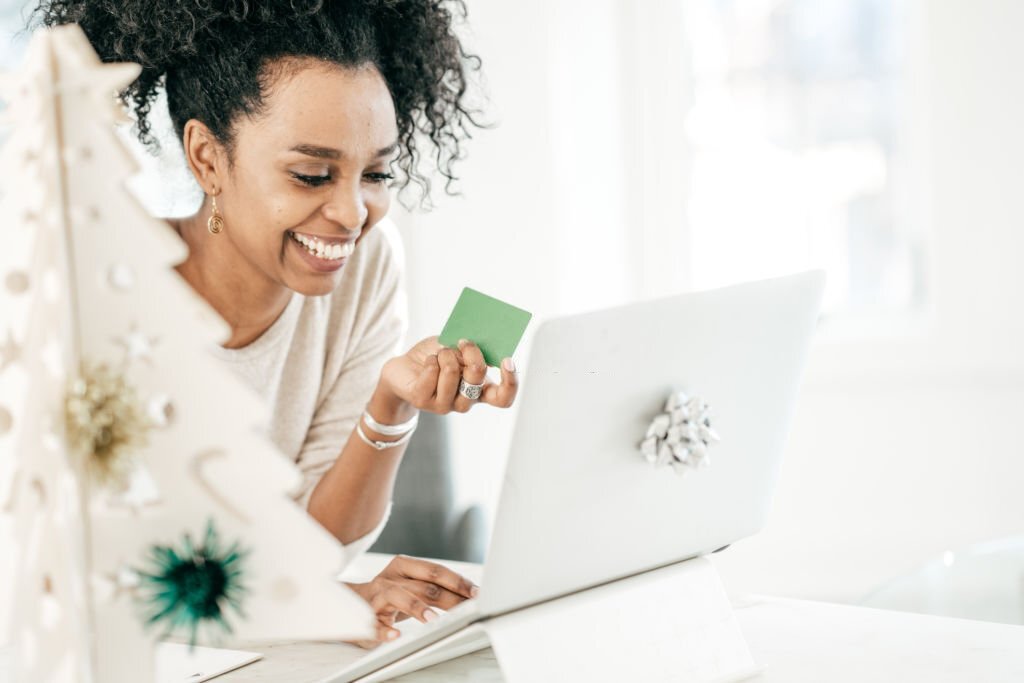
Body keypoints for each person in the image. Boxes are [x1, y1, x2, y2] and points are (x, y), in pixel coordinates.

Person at [33, 0, 515, 645]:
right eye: (311, 174)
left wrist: (391, 402)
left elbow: (317, 546)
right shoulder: (97, 288)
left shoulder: (367, 265)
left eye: (376, 172)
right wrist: (314, 608)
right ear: (207, 158)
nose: (351, 212)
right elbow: (67, 570)